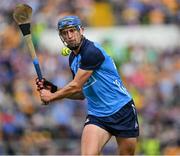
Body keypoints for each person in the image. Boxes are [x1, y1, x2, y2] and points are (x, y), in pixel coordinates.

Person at [36, 15, 139, 155]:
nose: (69, 36)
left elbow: (76, 86)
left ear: (81, 31)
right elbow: (81, 93)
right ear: (61, 37)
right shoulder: (72, 58)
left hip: (122, 110)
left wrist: (51, 96)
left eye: (72, 31)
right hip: (97, 115)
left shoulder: (91, 52)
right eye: (65, 33)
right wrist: (54, 89)